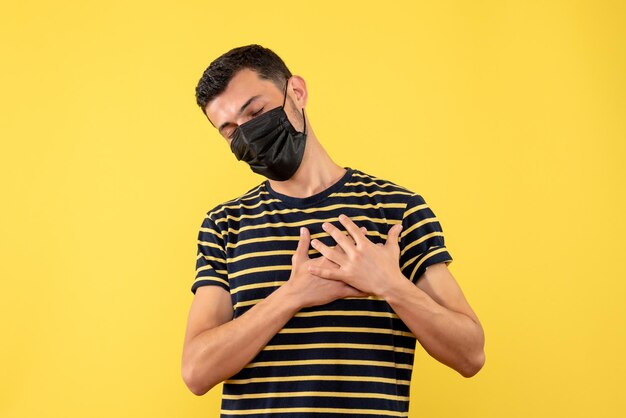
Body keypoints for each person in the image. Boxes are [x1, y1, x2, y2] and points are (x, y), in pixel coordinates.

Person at [182, 44, 485, 417]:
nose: (248, 134)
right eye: (230, 131)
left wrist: (391, 284)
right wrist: (291, 295)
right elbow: (196, 371)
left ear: (297, 92)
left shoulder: (397, 210)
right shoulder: (226, 225)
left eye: (256, 112)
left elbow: (471, 354)